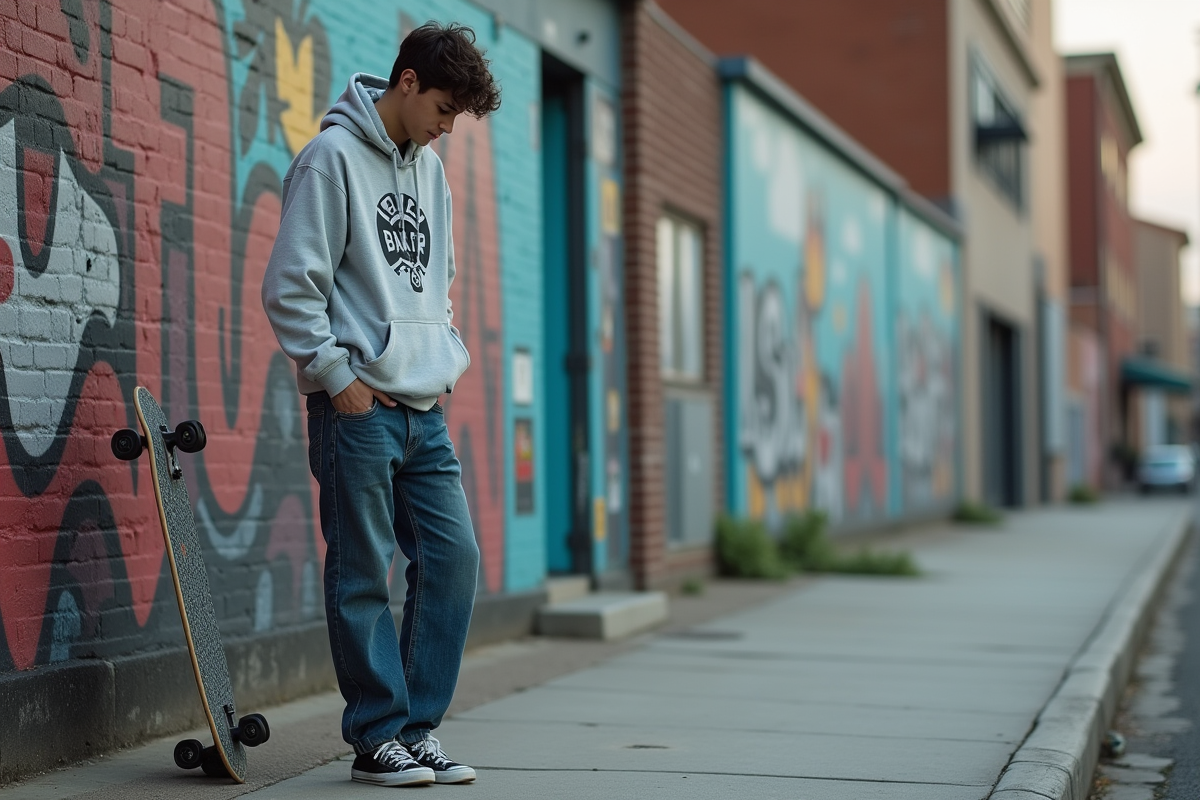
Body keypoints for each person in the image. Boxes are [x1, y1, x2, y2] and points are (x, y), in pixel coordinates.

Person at [261, 21, 501, 787]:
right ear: (407, 82)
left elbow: (439, 283)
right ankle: (376, 738)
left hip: (423, 409)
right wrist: (338, 376)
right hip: (358, 409)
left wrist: (440, 353)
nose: (447, 127)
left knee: (453, 560)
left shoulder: (431, 173)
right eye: (443, 108)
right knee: (362, 573)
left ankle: (416, 728)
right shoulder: (330, 158)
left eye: (457, 116)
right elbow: (291, 284)